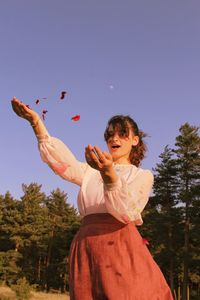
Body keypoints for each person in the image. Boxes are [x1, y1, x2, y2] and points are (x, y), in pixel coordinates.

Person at [11, 96, 173, 300]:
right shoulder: (90, 171)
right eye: (110, 134)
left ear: (135, 140)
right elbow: (63, 163)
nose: (114, 138)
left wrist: (109, 174)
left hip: (120, 246)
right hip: (87, 246)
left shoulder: (142, 175)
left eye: (122, 134)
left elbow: (126, 211)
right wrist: (36, 122)